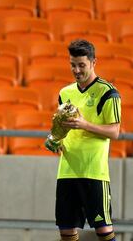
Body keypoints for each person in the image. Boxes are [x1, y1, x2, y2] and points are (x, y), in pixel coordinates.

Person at [46, 39, 121, 241]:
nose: (76, 70)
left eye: (81, 65)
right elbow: (63, 127)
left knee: (103, 231)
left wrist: (85, 124)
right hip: (67, 170)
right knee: (66, 230)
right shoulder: (65, 93)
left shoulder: (108, 92)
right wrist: (55, 139)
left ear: (93, 62)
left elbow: (115, 131)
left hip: (94, 172)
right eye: (73, 65)